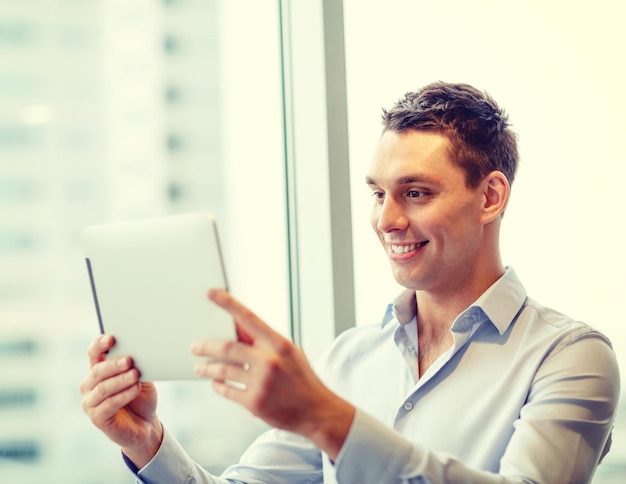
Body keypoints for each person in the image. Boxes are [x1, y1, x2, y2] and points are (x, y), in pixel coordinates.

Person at [80, 81, 620, 483]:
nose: (387, 219)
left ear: (490, 197)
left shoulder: (570, 357)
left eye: (416, 192)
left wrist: (327, 418)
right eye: (378, 193)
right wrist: (147, 441)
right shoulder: (351, 359)